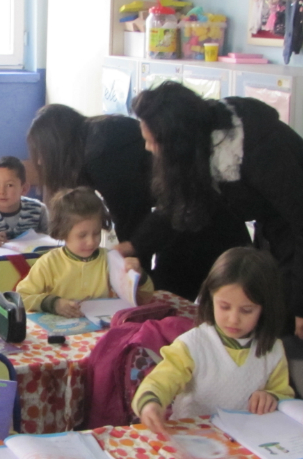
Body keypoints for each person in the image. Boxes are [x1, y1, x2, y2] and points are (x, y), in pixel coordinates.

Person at [129, 81, 303, 339]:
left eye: (153, 142)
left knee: (288, 326)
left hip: (294, 232)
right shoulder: (200, 141)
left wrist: (300, 305)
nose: (148, 148)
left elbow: (298, 227)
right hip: (277, 231)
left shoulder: (258, 149)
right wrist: (132, 246)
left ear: (177, 140)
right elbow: (177, 203)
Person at [27, 103, 250, 301]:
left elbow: (131, 216)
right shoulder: (96, 135)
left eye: (41, 152)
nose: (39, 160)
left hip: (202, 219)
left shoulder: (100, 154)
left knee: (170, 300)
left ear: (56, 145)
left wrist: (133, 277)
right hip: (185, 212)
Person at [132, 247, 295, 435]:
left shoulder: (273, 350)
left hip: (246, 442)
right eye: (224, 307)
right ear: (210, 298)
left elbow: (283, 394)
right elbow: (161, 380)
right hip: (192, 440)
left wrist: (272, 396)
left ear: (265, 308)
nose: (233, 319)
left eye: (246, 310)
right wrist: (150, 403)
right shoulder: (192, 345)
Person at [16, 187, 154, 317]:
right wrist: (53, 303)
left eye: (96, 233)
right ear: (62, 233)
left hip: (102, 333)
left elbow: (144, 299)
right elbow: (22, 296)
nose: (91, 242)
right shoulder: (49, 263)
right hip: (62, 336)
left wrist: (138, 276)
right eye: (82, 235)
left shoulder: (110, 261)